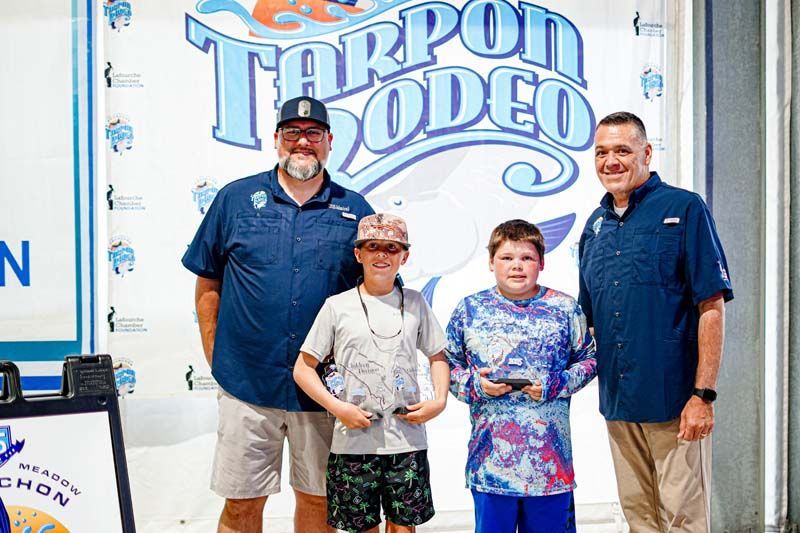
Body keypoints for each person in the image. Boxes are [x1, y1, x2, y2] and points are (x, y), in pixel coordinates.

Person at [182, 95, 374, 533]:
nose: (302, 142)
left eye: (312, 134)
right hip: (246, 384)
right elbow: (207, 282)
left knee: (318, 502)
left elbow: (375, 295)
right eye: (292, 133)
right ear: (276, 141)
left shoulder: (355, 209)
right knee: (241, 506)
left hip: (324, 389)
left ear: (328, 143)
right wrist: (216, 355)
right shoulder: (234, 200)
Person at [578, 111, 733, 532]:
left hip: (676, 404)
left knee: (682, 518)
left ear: (646, 153)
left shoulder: (684, 208)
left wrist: (703, 394)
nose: (611, 161)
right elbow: (589, 322)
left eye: (622, 151)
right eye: (602, 152)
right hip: (618, 405)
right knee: (639, 517)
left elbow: (712, 306)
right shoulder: (594, 228)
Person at [293, 213, 449, 533]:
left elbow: (438, 355)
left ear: (404, 256)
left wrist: (439, 401)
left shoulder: (416, 303)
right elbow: (303, 368)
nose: (381, 254)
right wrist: (338, 408)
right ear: (358, 254)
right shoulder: (337, 306)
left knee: (403, 528)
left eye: (391, 248)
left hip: (406, 441)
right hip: (353, 443)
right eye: (372, 246)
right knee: (361, 527)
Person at [446, 219, 596, 533]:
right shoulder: (470, 310)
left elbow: (590, 360)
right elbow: (447, 367)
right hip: (490, 467)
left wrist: (556, 384)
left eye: (527, 258)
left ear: (542, 262)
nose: (517, 266)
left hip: (550, 469)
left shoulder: (565, 309)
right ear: (490, 262)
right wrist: (477, 385)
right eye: (506, 258)